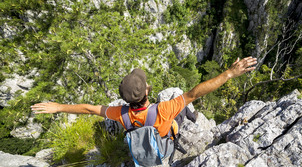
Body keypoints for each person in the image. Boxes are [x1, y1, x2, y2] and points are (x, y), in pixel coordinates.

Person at [31, 56, 257, 137]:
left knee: (179, 98)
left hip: (139, 137)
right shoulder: (164, 109)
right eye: (146, 83)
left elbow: (89, 109)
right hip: (164, 142)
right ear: (147, 91)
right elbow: (195, 92)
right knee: (177, 94)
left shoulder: (120, 113)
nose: (148, 83)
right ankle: (192, 119)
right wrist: (229, 73)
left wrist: (59, 107)